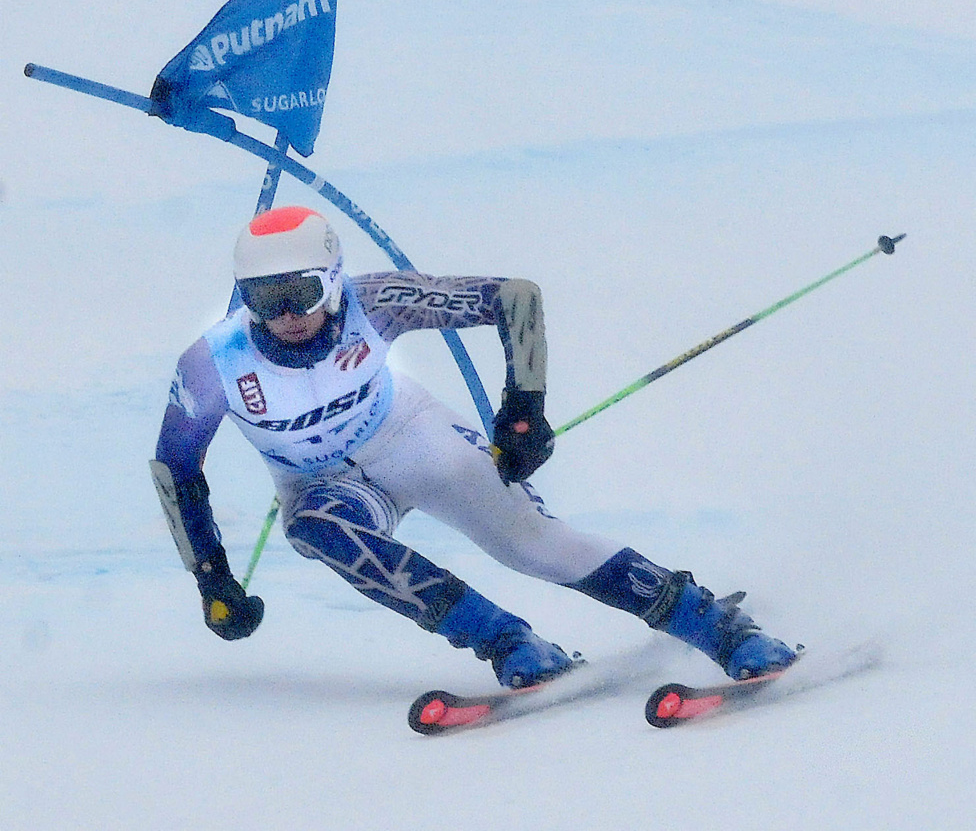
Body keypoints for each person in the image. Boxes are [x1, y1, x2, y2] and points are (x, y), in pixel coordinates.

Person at [152, 205, 796, 688]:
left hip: (410, 438)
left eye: (303, 293)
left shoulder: (375, 302)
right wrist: (211, 575)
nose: (287, 315)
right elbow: (176, 469)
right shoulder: (211, 364)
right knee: (318, 532)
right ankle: (506, 642)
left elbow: (514, 298)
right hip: (322, 486)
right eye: (266, 299)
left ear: (333, 279)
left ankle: (715, 626)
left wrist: (523, 412)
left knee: (534, 546)